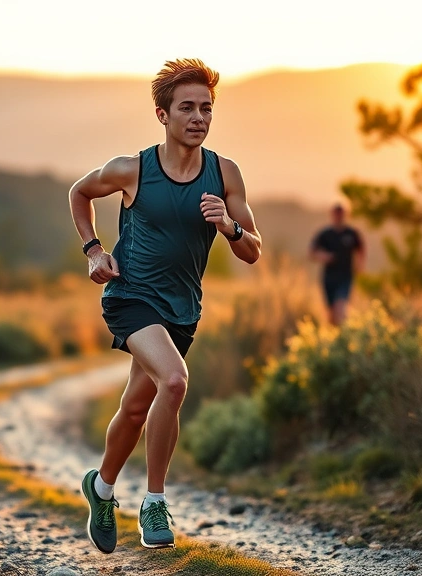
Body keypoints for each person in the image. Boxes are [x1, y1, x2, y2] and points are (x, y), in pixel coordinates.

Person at [68, 59, 262, 553]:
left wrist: (229, 226)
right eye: (187, 108)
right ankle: (154, 502)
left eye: (206, 108)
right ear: (162, 114)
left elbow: (252, 250)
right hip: (130, 297)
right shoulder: (132, 169)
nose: (198, 117)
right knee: (174, 381)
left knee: (136, 408)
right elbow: (80, 192)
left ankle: (101, 488)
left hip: (182, 310)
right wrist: (93, 250)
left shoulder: (224, 174)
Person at [310, 202, 365, 325]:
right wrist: (324, 256)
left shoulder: (351, 233)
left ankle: (344, 333)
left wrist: (360, 265)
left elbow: (361, 248)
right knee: (331, 312)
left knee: (341, 306)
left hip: (345, 276)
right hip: (329, 277)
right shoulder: (325, 234)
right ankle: (335, 335)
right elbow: (312, 252)